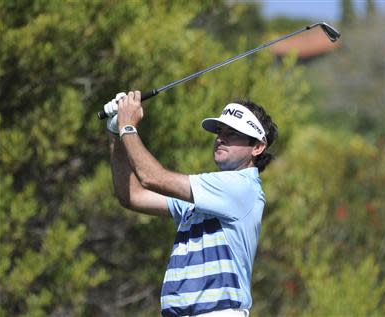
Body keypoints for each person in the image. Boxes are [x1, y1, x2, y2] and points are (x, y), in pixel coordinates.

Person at [104, 91, 278, 316]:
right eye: (219, 132)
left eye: (232, 133)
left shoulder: (241, 186)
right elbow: (132, 196)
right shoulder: (207, 195)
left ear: (257, 147)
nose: (220, 138)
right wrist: (115, 133)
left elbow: (151, 177)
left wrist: (127, 126)